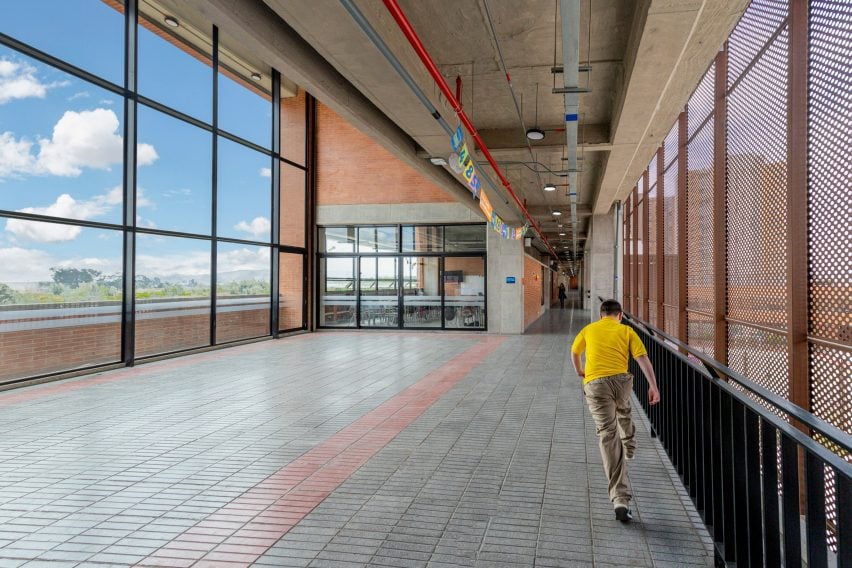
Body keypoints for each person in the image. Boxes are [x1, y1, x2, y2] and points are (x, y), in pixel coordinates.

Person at [571, 299, 660, 522]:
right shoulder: (626, 331)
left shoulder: (589, 329)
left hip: (596, 384)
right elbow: (642, 359)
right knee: (623, 410)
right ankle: (629, 445)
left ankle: (620, 498)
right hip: (621, 382)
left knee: (608, 435)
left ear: (601, 315)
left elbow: (574, 352)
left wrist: (580, 371)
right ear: (619, 315)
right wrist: (653, 386)